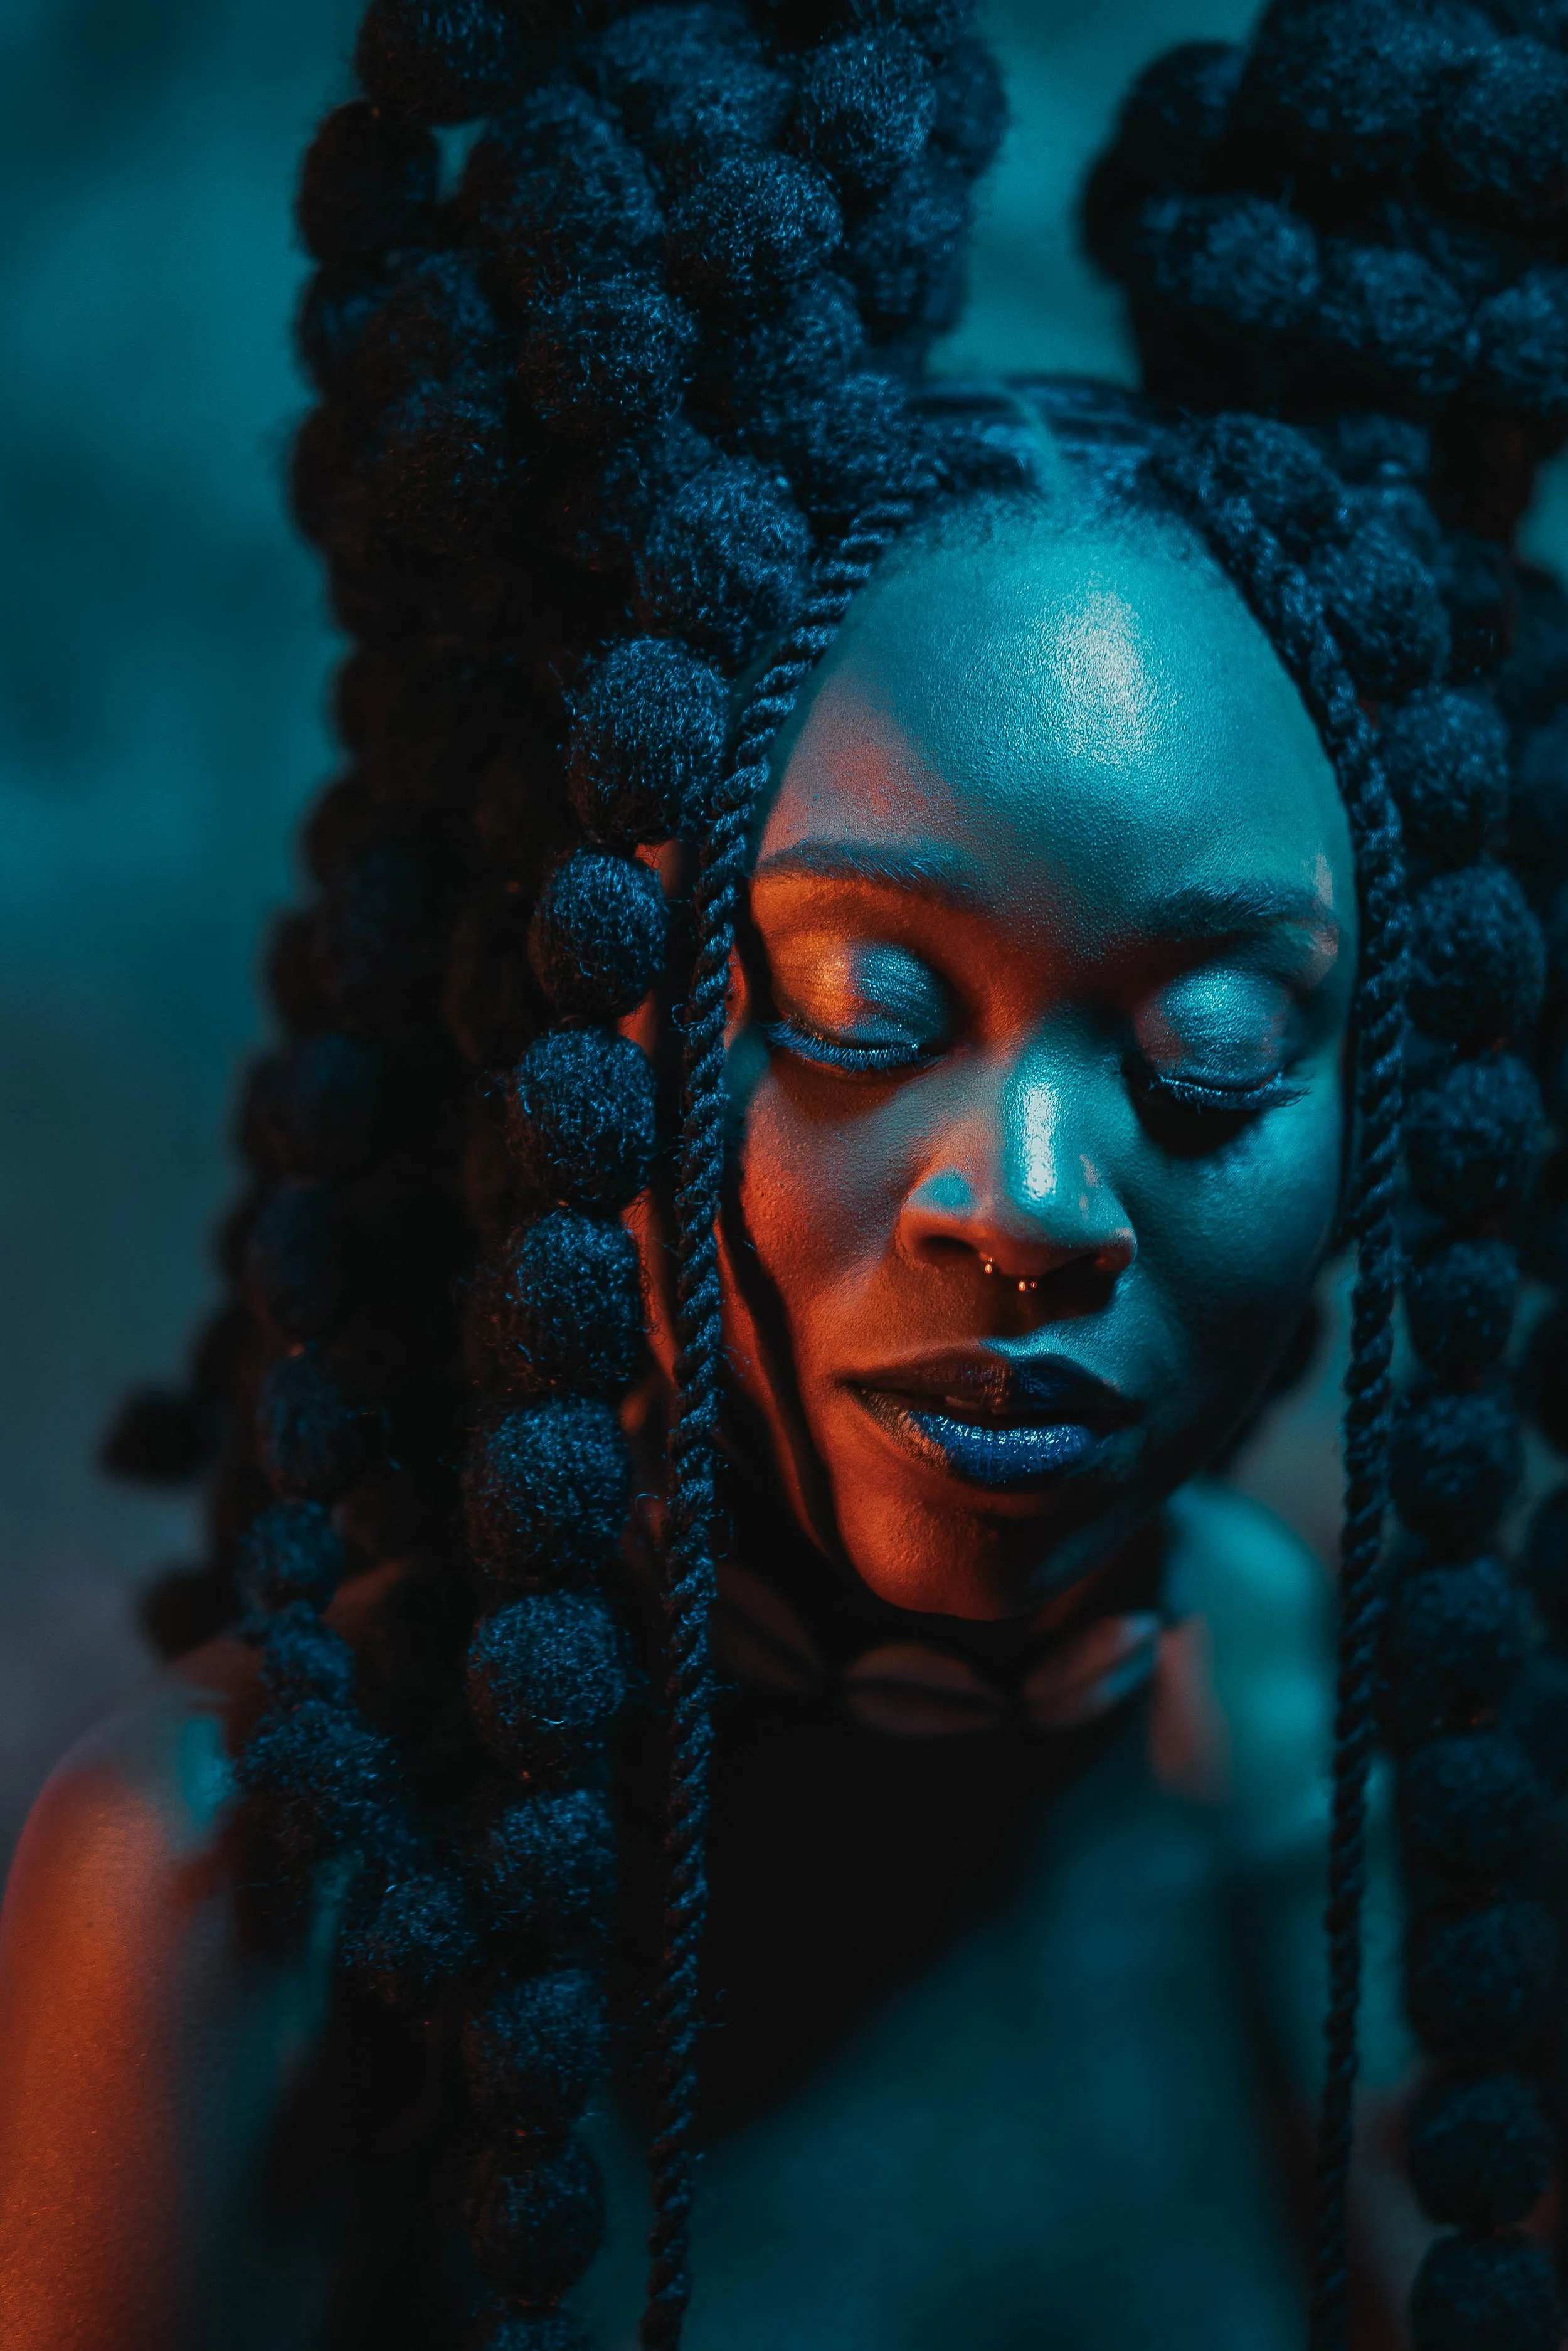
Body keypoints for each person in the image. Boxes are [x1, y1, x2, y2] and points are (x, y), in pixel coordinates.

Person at [2, 3, 1567, 2348]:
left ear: (1386, 1107)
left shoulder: (1375, 1836)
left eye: (1214, 1050)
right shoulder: (236, 1899)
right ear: (599, 1019)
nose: (1023, 1199)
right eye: (857, 1015)